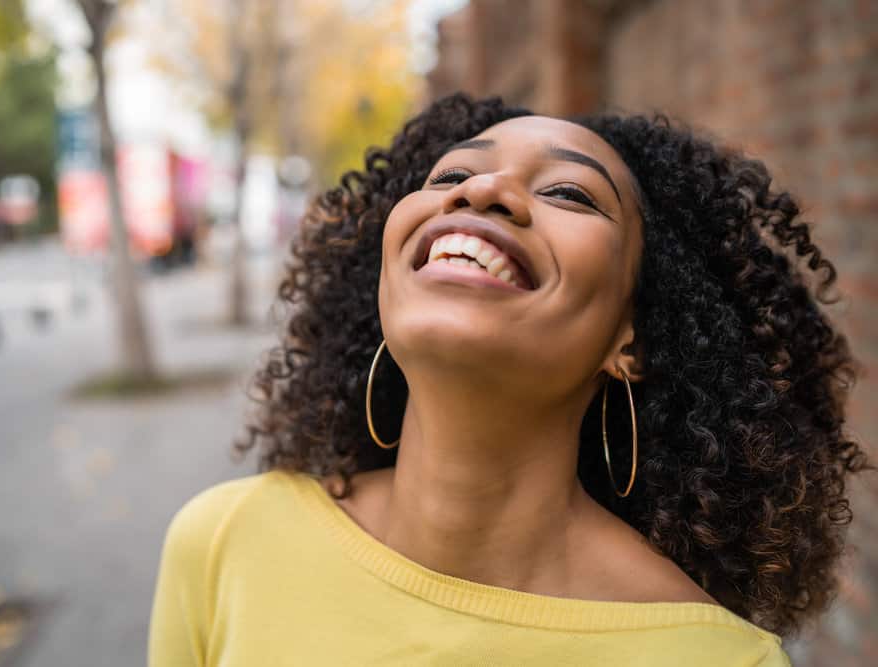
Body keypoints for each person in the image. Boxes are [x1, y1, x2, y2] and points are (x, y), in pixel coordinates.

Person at [148, 93, 868, 666]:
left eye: (570, 193)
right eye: (453, 176)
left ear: (634, 340)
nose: (485, 190)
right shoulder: (224, 543)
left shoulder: (719, 661)